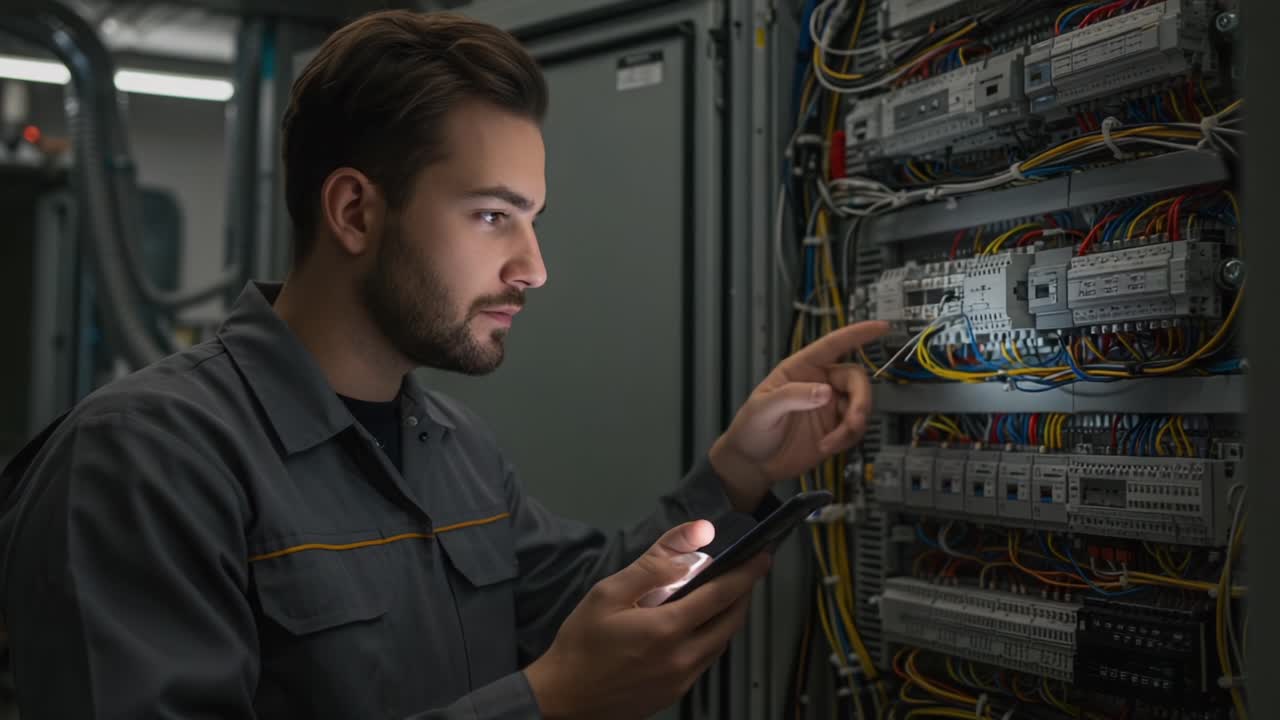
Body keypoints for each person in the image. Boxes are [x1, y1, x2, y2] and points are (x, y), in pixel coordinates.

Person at [0, 10, 888, 720]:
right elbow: (564, 673)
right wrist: (549, 703)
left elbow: (582, 605)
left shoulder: (454, 448)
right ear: (354, 211)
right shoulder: (145, 460)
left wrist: (739, 473)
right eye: (493, 216)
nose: (534, 268)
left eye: (531, 218)